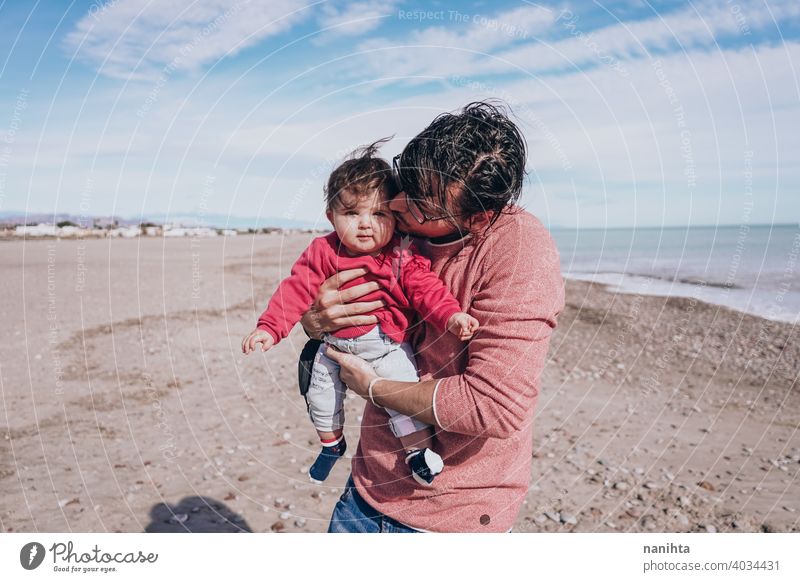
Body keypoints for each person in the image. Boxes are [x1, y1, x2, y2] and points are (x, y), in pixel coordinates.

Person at [299, 101, 566, 533]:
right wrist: (315, 321)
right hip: (366, 487)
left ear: (476, 218)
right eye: (406, 181)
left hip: (451, 515)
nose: (399, 202)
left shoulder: (519, 254)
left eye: (422, 203)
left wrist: (374, 388)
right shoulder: (394, 224)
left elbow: (494, 407)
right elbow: (324, 291)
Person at [241, 142, 479, 486]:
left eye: (379, 214)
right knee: (320, 395)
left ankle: (418, 455)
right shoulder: (322, 251)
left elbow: (427, 290)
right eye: (352, 214)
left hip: (385, 345)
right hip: (334, 346)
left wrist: (452, 317)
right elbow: (295, 290)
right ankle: (331, 443)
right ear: (330, 217)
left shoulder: (401, 253)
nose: (366, 225)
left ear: (395, 218)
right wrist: (269, 328)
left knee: (404, 395)